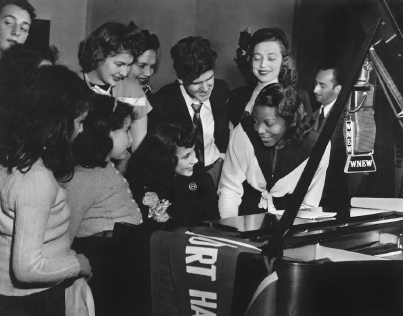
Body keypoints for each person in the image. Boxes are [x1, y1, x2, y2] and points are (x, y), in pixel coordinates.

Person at [0, 65, 93, 315]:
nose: (82, 130)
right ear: (58, 122)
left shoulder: (18, 158)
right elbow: (27, 268)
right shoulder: (34, 179)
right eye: (80, 121)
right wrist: (77, 264)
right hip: (29, 301)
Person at [66, 94, 142, 316]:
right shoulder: (82, 176)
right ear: (106, 133)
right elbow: (67, 232)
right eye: (126, 131)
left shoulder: (106, 167)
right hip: (103, 262)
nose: (130, 139)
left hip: (123, 258)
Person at [218, 83, 330, 218]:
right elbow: (229, 188)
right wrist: (230, 228)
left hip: (289, 222)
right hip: (243, 216)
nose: (259, 130)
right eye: (255, 121)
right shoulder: (243, 131)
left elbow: (308, 205)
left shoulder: (318, 146)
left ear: (290, 121)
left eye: (269, 123)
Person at [149, 36, 230, 187]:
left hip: (216, 171)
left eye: (210, 78)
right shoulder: (161, 103)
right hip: (181, 180)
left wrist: (223, 155)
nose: (205, 88)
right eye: (197, 83)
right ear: (180, 78)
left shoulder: (221, 90)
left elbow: (222, 129)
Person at [127, 122, 219, 228]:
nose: (195, 160)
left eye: (193, 151)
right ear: (165, 159)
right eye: (186, 156)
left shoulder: (203, 180)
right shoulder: (141, 187)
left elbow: (214, 226)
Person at [78, 21, 152, 153]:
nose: (124, 73)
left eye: (129, 65)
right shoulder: (70, 85)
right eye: (119, 64)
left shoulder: (134, 93)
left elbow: (139, 154)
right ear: (98, 55)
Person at [229, 27, 312, 130]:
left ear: (284, 60)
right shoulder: (237, 96)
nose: (263, 64)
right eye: (257, 58)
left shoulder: (300, 97)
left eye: (271, 58)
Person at [113, 26, 160, 151]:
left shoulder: (143, 95)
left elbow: (139, 151)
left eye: (152, 66)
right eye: (141, 65)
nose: (148, 73)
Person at [312, 64, 350, 206]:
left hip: (335, 196)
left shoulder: (348, 117)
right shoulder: (311, 116)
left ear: (337, 89)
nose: (315, 90)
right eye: (315, 84)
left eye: (322, 86)